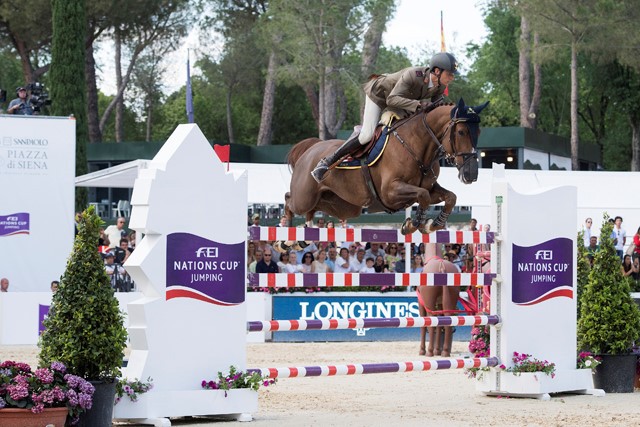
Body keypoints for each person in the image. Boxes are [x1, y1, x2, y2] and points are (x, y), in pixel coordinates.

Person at [311, 52, 458, 182]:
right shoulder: (413, 75)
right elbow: (392, 99)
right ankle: (327, 161)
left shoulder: (440, 86)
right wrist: (419, 105)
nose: (452, 78)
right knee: (366, 136)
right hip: (380, 96)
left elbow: (435, 110)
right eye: (450, 74)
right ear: (437, 71)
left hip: (401, 102)